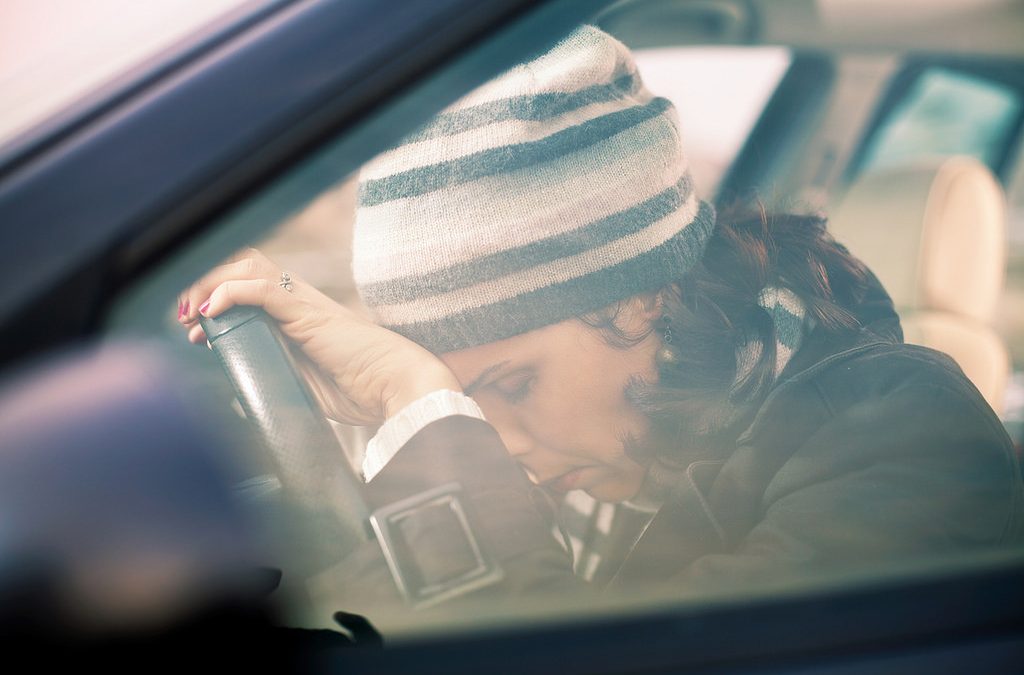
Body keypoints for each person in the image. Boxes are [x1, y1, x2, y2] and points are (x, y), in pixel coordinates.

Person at [179, 26, 1023, 607]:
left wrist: (419, 400)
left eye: (512, 382)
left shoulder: (910, 433)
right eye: (472, 401)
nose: (498, 443)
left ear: (644, 292)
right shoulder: (638, 453)